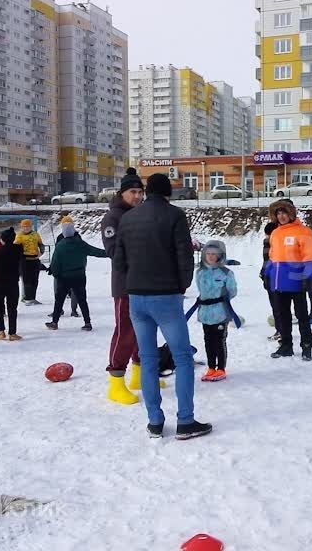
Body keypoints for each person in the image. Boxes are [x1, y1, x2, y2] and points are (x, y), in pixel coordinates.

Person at [114, 173, 211, 440]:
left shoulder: (128, 218)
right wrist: (181, 286)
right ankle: (185, 421)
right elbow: (184, 255)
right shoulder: (175, 216)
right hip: (166, 295)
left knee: (147, 359)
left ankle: (155, 421)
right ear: (168, 192)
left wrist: (132, 283)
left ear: (147, 191)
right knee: (181, 358)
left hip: (136, 296)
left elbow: (118, 260)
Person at [101, 168, 159, 405]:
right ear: (122, 193)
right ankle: (115, 381)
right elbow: (114, 252)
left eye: (140, 192)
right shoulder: (113, 217)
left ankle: (139, 375)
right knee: (125, 331)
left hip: (145, 282)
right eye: (133, 192)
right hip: (125, 285)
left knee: (143, 331)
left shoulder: (142, 213)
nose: (137, 196)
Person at [265, 199, 312, 361]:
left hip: (297, 280)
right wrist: (267, 273)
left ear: (291, 213)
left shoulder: (304, 231)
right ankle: (286, 345)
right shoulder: (275, 233)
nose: (281, 216)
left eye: (284, 212)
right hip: (278, 280)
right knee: (283, 316)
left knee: (302, 316)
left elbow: (310, 257)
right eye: (278, 213)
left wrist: (307, 278)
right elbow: (272, 257)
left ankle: (307, 345)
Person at [45, 222, 106, 332]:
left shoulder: (60, 246)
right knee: (82, 300)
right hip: (79, 276)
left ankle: (54, 322)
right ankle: (87, 323)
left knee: (59, 300)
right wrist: (110, 253)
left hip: (64, 278)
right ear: (73, 232)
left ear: (63, 233)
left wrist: (56, 274)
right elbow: (95, 251)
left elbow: (55, 263)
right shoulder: (80, 244)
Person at [194, 240, 237, 382]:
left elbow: (232, 291)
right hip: (205, 312)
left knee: (219, 340)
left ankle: (221, 369)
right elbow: (200, 289)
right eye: (208, 254)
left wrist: (221, 298)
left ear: (220, 255)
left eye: (214, 254)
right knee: (208, 340)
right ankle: (211, 367)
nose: (211, 256)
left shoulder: (226, 273)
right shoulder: (200, 272)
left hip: (220, 312)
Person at [0, 228, 24, 341]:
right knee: (12, 308)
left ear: (2, 240)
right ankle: (13, 333)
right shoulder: (18, 249)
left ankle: (1, 331)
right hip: (13, 282)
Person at [50, 215, 80, 319]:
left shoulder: (77, 237)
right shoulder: (60, 237)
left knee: (74, 290)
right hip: (60, 269)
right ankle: (59, 310)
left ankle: (74, 310)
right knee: (57, 290)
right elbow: (56, 254)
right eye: (64, 225)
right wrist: (52, 267)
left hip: (72, 269)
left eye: (68, 225)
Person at [260, 221, 281, 342]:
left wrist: (264, 273)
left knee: (277, 306)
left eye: (269, 235)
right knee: (276, 306)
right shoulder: (268, 242)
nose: (267, 237)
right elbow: (265, 261)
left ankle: (281, 331)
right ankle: (280, 330)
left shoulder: (273, 243)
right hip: (269, 276)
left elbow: (268, 262)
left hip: (274, 277)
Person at [15, 219, 44, 305]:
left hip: (35, 259)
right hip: (25, 260)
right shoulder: (19, 236)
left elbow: (41, 244)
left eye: (28, 226)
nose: (26, 228)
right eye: (24, 227)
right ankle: (27, 298)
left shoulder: (35, 234)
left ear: (31, 227)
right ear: (22, 227)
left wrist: (41, 252)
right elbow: (15, 248)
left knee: (35, 280)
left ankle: (33, 297)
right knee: (26, 280)